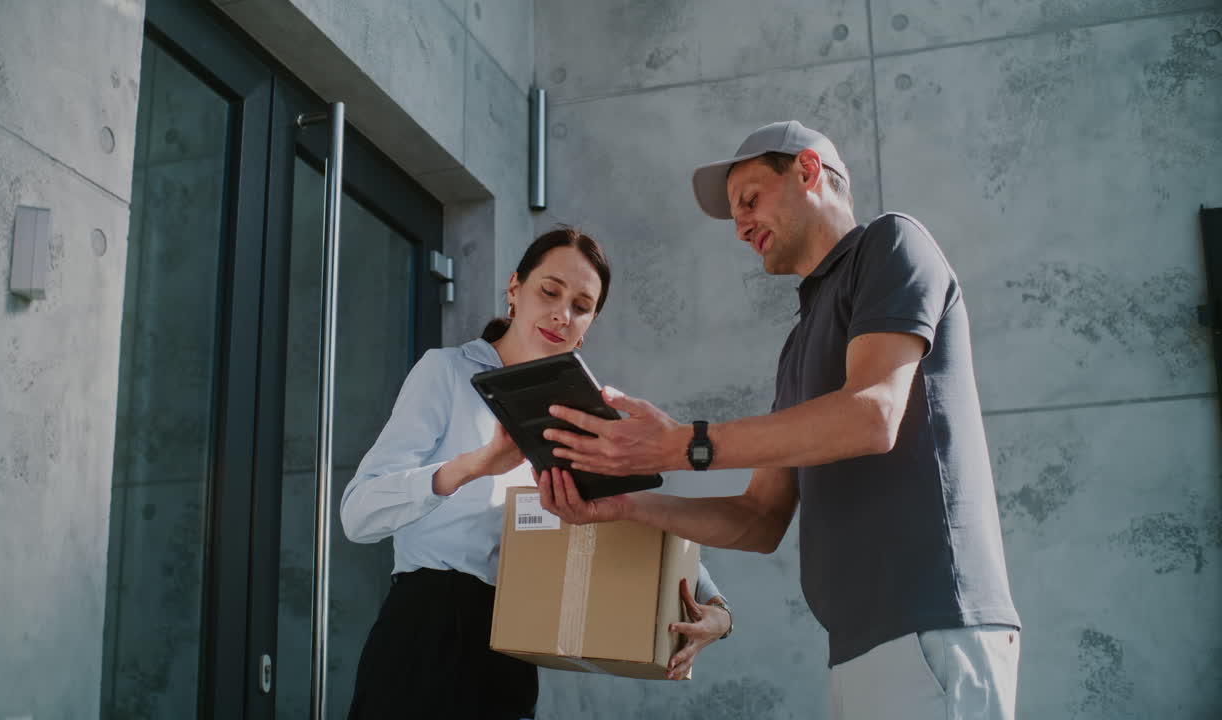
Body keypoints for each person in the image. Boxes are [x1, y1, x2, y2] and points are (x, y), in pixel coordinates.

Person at [534, 122, 1022, 720]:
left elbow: (873, 416)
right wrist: (621, 510)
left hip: (930, 623)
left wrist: (677, 446)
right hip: (858, 645)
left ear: (809, 171)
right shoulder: (797, 347)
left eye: (751, 199)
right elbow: (759, 517)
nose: (740, 225)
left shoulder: (892, 244)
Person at [340, 228, 733, 720]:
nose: (561, 314)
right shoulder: (445, 373)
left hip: (512, 646)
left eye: (581, 305)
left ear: (589, 324)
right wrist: (477, 464)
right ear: (514, 289)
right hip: (425, 632)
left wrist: (717, 609)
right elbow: (358, 515)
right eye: (549, 291)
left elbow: (639, 515)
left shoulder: (586, 416)